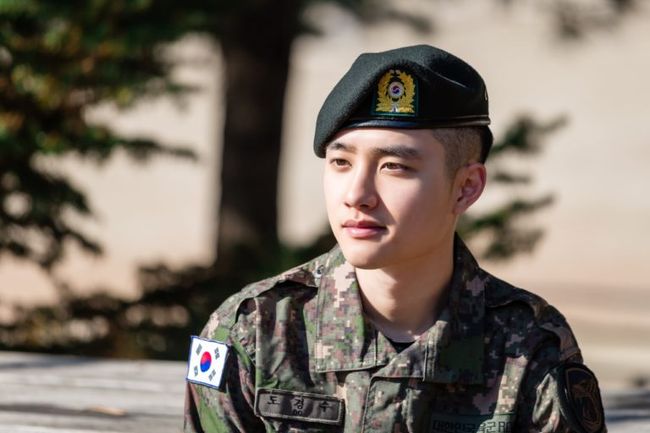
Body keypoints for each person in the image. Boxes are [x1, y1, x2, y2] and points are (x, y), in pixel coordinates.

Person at [183, 45, 606, 433]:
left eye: (394, 167)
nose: (356, 195)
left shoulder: (529, 346)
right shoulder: (254, 330)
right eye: (341, 162)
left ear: (466, 188)